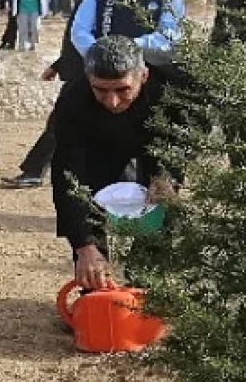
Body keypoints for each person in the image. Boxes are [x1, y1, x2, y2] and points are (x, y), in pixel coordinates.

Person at [50, 36, 188, 290]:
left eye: (122, 89)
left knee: (164, 198)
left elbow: (181, 143)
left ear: (143, 76)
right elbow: (68, 175)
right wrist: (83, 245)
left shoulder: (173, 89)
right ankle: (95, 285)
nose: (112, 101)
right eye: (100, 90)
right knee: (88, 197)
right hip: (98, 145)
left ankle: (145, 283)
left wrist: (165, 175)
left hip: (156, 142)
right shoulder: (73, 101)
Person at [2, 0, 100, 188]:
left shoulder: (98, 0)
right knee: (63, 124)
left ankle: (36, 171)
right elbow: (76, 43)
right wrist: (57, 66)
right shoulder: (85, 0)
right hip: (79, 74)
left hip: (88, 76)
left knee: (59, 124)